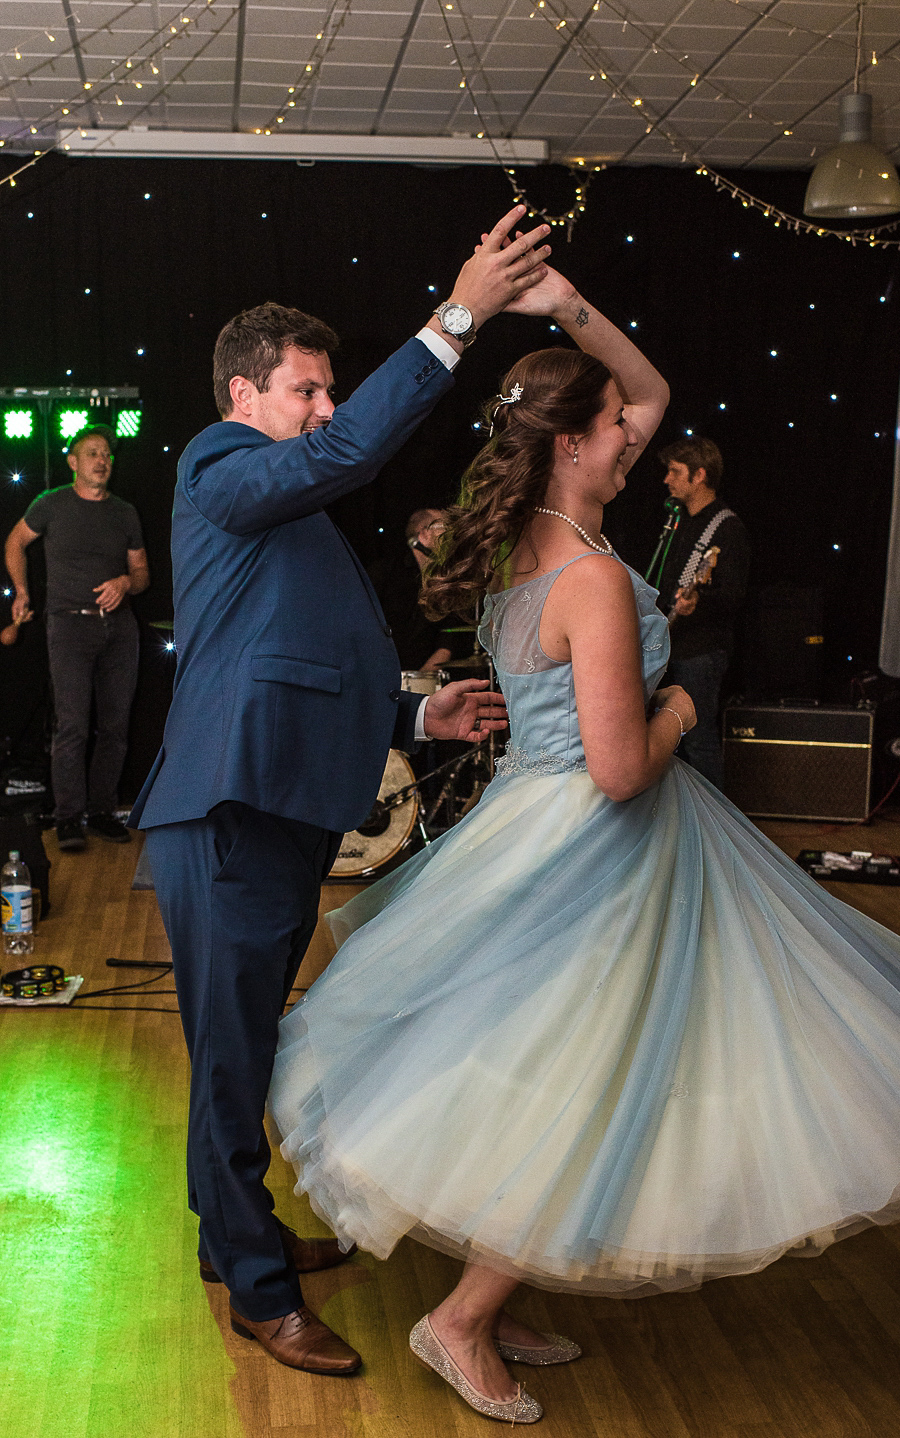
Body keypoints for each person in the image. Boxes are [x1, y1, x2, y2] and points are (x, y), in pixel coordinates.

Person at [269, 267, 900, 1426]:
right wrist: (694, 700)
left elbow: (646, 384)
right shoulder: (590, 576)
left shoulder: (530, 544)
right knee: (584, 1078)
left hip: (540, 826)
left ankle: (502, 1283)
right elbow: (623, 765)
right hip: (597, 841)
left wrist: (565, 303)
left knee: (556, 1063)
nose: (637, 439)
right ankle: (465, 1317)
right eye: (617, 433)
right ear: (577, 444)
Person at [128, 204, 553, 1379]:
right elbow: (344, 453)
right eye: (307, 388)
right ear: (243, 399)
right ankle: (258, 1294)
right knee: (228, 1062)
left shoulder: (289, 518)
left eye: (326, 390)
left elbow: (304, 661)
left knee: (244, 1049)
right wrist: (460, 313)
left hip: (274, 810)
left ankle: (239, 1240)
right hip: (228, 814)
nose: (323, 408)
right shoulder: (221, 465)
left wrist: (419, 713)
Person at [4, 425, 149, 850]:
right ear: (73, 462)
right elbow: (14, 543)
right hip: (68, 626)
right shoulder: (50, 505)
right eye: (92, 453)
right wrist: (23, 591)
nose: (102, 460)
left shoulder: (125, 512)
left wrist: (125, 582)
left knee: (115, 728)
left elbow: (143, 574)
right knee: (72, 727)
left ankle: (102, 812)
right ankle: (69, 818)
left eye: (106, 454)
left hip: (119, 630)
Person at [653, 438, 750, 790]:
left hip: (702, 651)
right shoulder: (678, 522)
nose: (667, 479)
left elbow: (733, 596)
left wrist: (699, 603)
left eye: (676, 472)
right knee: (668, 736)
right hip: (671, 644)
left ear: (700, 475)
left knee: (699, 737)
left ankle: (715, 823)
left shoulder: (726, 529)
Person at [367, 508, 453, 672]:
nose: (451, 533)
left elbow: (447, 643)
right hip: (381, 674)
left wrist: (417, 683)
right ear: (424, 534)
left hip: (423, 683)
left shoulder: (448, 580)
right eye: (444, 526)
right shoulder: (384, 572)